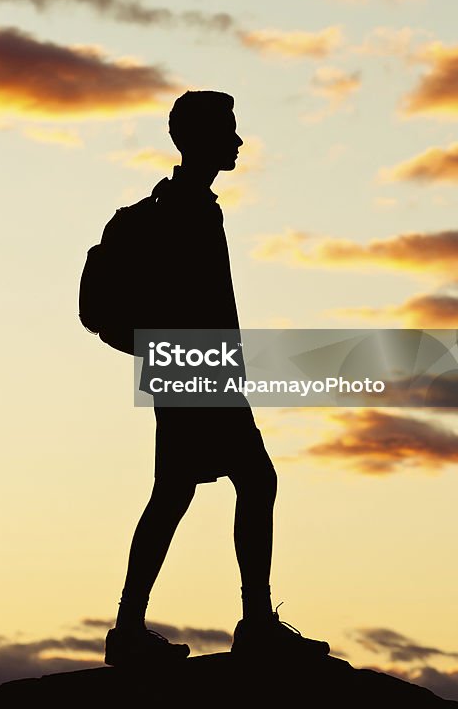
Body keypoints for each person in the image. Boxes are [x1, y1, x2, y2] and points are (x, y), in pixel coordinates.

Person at [103, 91, 330, 666]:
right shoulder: (190, 210)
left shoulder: (190, 205)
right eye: (228, 130)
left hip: (190, 363)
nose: (237, 141)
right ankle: (252, 622)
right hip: (195, 364)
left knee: (177, 493)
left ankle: (131, 627)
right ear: (199, 139)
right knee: (253, 480)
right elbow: (198, 303)